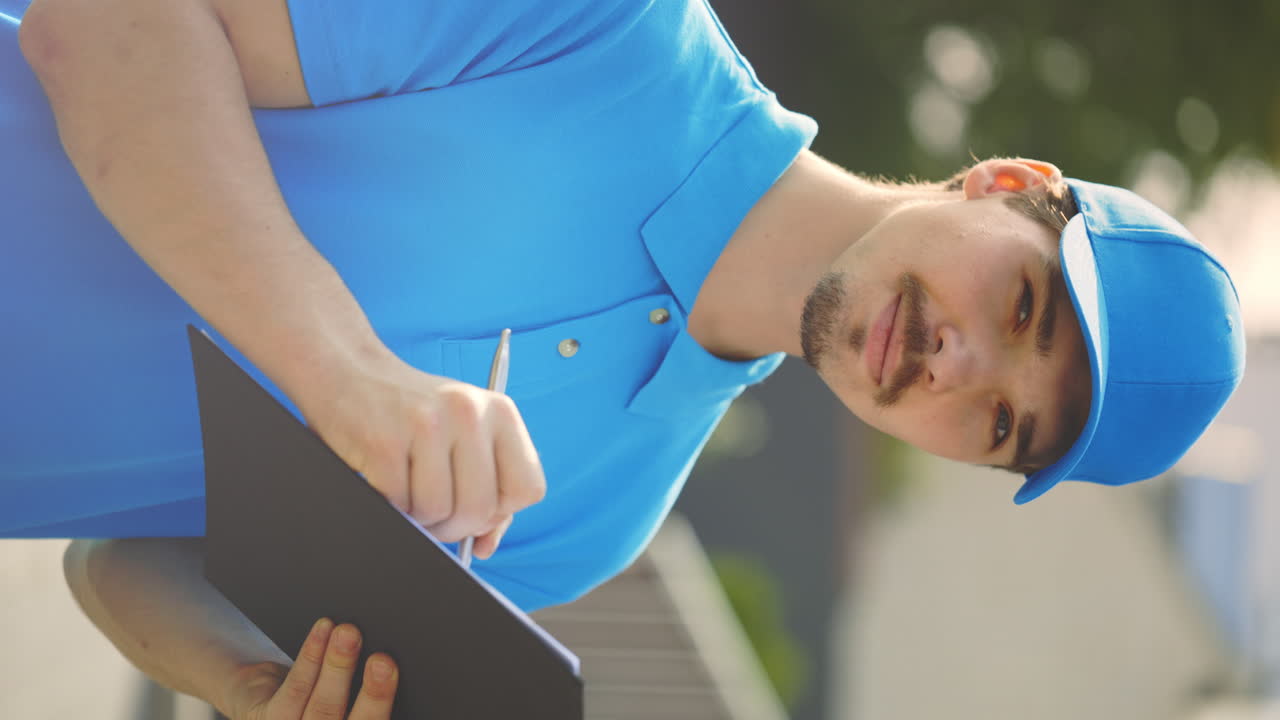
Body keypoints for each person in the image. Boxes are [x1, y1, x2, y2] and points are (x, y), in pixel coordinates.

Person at [1, 0, 1244, 717]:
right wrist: (339, 373)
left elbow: (128, 556)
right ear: (1005, 183)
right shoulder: (609, 29)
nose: (955, 367)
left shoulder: (597, 517)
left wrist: (251, 683)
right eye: (1023, 308)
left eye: (1000, 427)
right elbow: (101, 23)